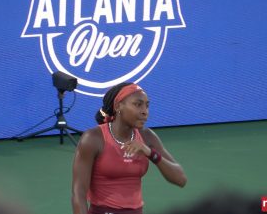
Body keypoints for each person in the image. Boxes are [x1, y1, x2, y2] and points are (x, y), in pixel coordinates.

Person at [71, 83, 187, 214]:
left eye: (147, 105)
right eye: (138, 104)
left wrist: (150, 153)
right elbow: (78, 193)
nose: (145, 111)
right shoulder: (93, 138)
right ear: (118, 106)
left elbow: (181, 179)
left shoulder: (147, 137)